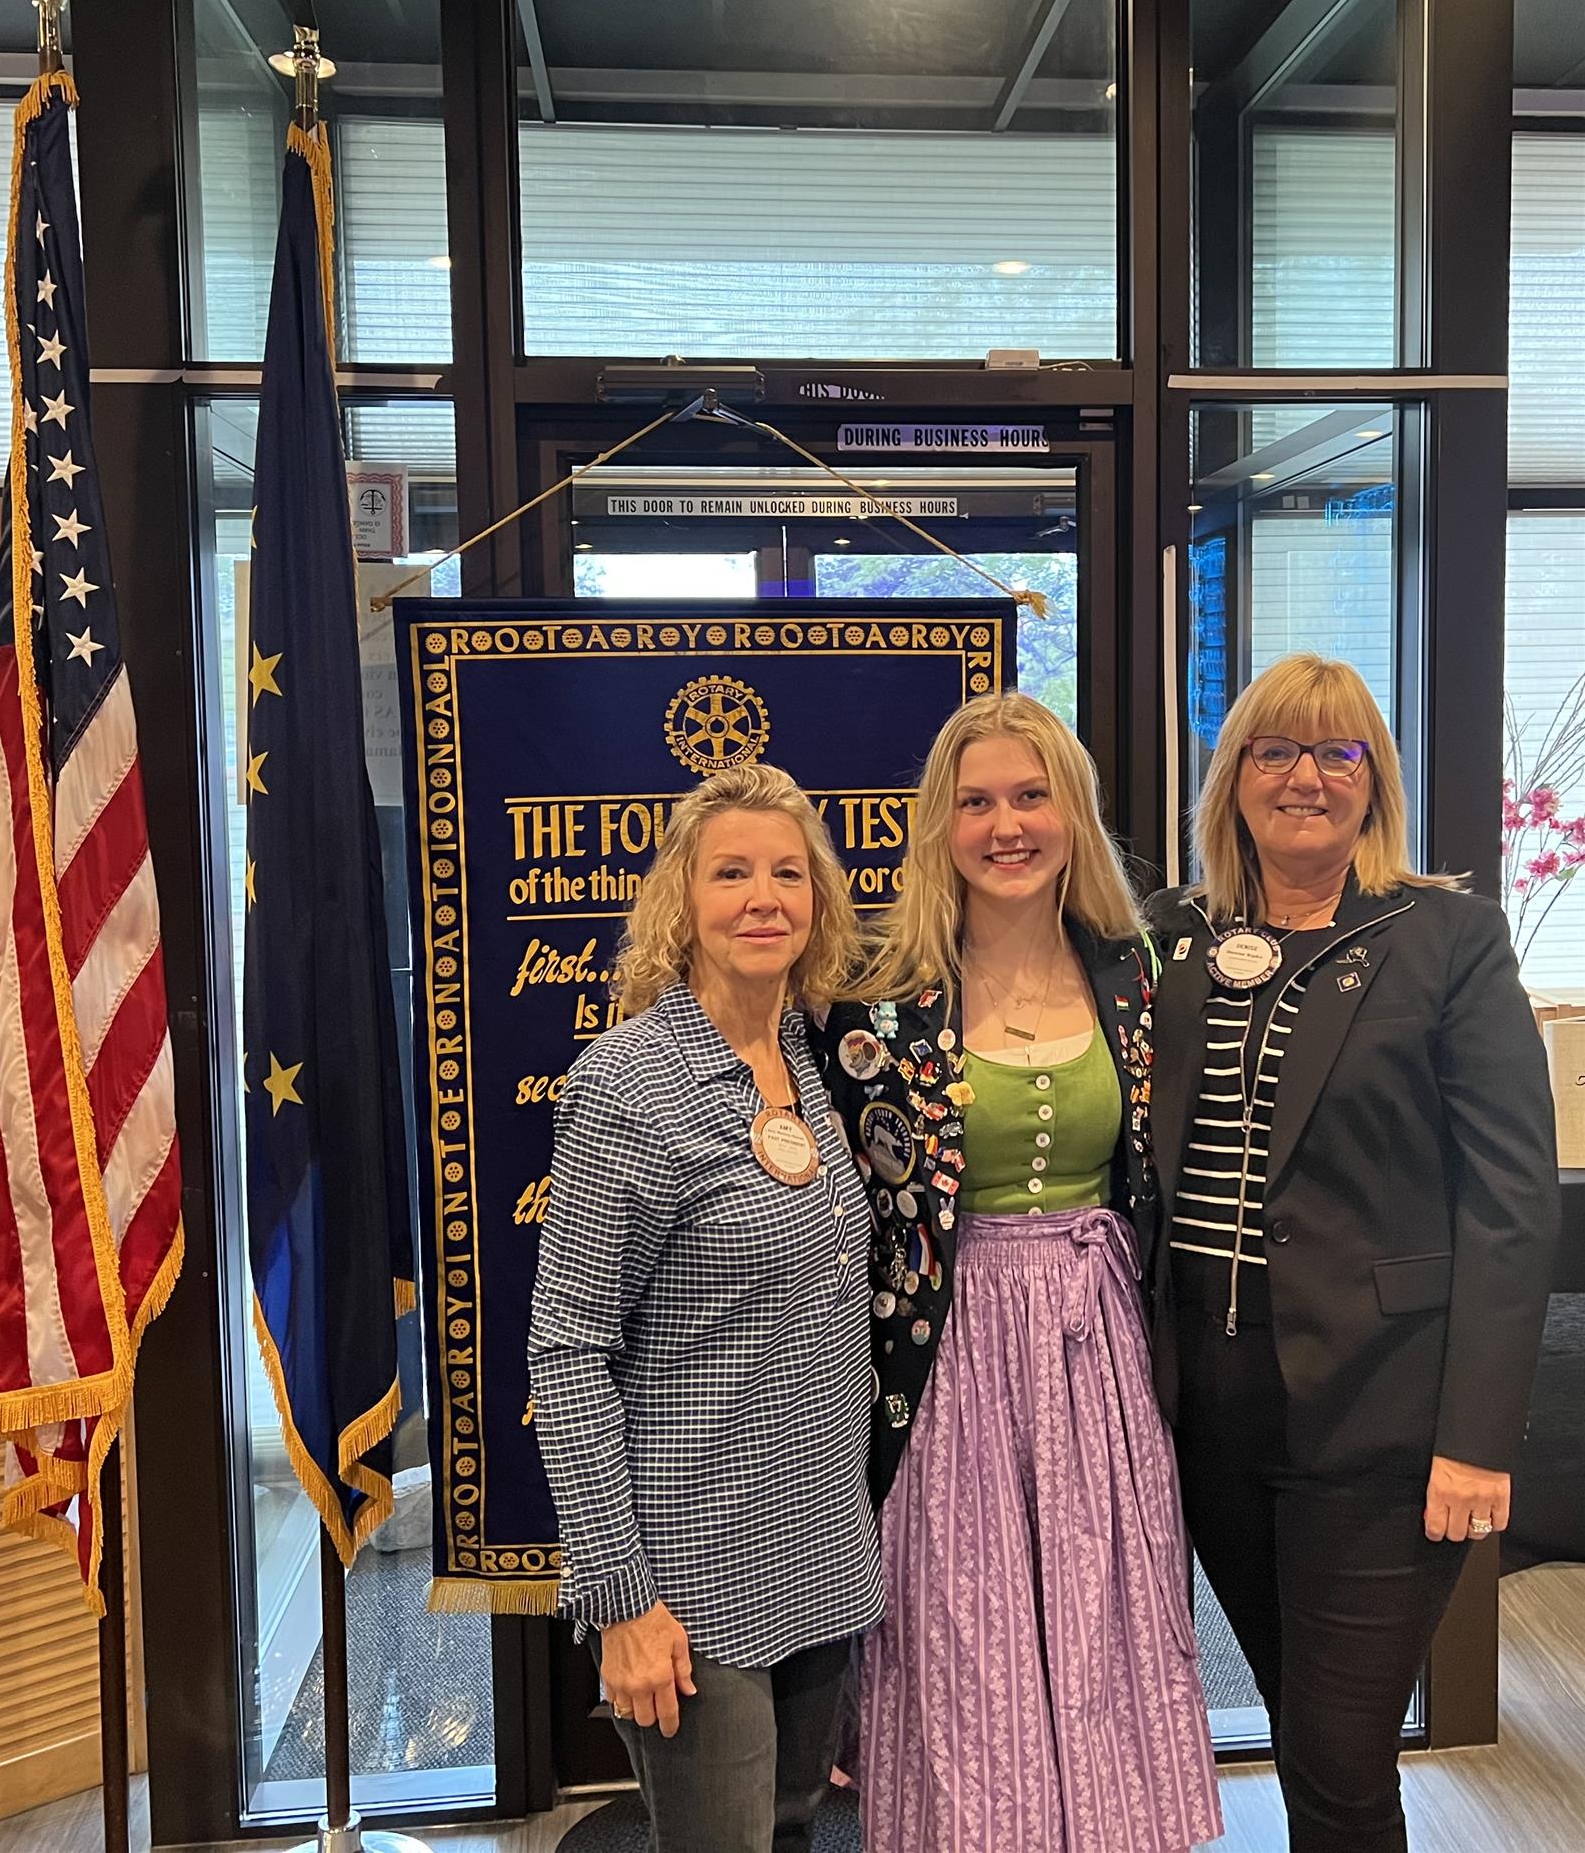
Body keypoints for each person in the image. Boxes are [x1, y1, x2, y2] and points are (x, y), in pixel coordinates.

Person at [1146, 653, 1559, 1853]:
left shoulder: (1448, 938)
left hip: (1384, 1425)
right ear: (1233, 779)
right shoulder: (1174, 939)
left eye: (1338, 752)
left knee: (1338, 1761)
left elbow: (1511, 1201)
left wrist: (1477, 1438)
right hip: (1213, 1421)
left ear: (1374, 779)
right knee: (1301, 1733)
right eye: (1275, 751)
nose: (1306, 777)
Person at [822, 692, 1222, 1853]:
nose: (1008, 824)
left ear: (1074, 814)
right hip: (944, 1363)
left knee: (1108, 1632)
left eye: (1033, 795)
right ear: (940, 827)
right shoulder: (876, 1002)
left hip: (1098, 1346)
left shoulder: (1138, 976)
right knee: (963, 1647)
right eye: (978, 801)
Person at [528, 762, 883, 1853]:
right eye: (731, 873)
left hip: (820, 1556)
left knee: (788, 1834)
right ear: (682, 901)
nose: (763, 897)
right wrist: (621, 1599)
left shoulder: (812, 1063)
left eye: (788, 872)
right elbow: (566, 1351)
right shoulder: (626, 1085)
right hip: (686, 1583)